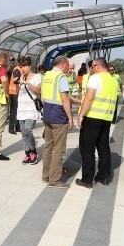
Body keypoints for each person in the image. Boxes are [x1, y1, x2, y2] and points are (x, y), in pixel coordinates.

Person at [76, 57, 119, 188]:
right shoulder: (113, 81)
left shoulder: (95, 78)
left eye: (93, 67)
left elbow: (89, 98)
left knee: (87, 148)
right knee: (103, 147)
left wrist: (81, 115)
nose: (91, 69)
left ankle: (87, 180)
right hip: (106, 119)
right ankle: (103, 177)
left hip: (92, 118)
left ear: (98, 66)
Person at [40, 55, 72, 188]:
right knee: (58, 149)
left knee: (48, 147)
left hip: (47, 113)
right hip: (59, 116)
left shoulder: (47, 75)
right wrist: (70, 117)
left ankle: (46, 176)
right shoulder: (61, 78)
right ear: (63, 64)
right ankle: (55, 180)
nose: (69, 68)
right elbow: (64, 99)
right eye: (68, 66)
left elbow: (42, 96)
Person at [16, 56, 42, 164]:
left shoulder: (37, 77)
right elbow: (18, 92)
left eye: (25, 66)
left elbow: (37, 91)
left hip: (31, 109)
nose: (23, 68)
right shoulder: (22, 77)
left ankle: (33, 152)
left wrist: (27, 83)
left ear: (30, 66)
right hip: (21, 109)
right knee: (23, 132)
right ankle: (27, 153)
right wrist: (19, 83)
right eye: (22, 66)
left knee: (28, 130)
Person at [7, 57, 21, 134]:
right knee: (14, 111)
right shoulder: (16, 69)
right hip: (14, 92)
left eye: (13, 60)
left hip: (16, 92)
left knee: (17, 110)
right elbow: (16, 80)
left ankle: (17, 126)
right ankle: (11, 128)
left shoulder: (17, 68)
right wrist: (10, 63)